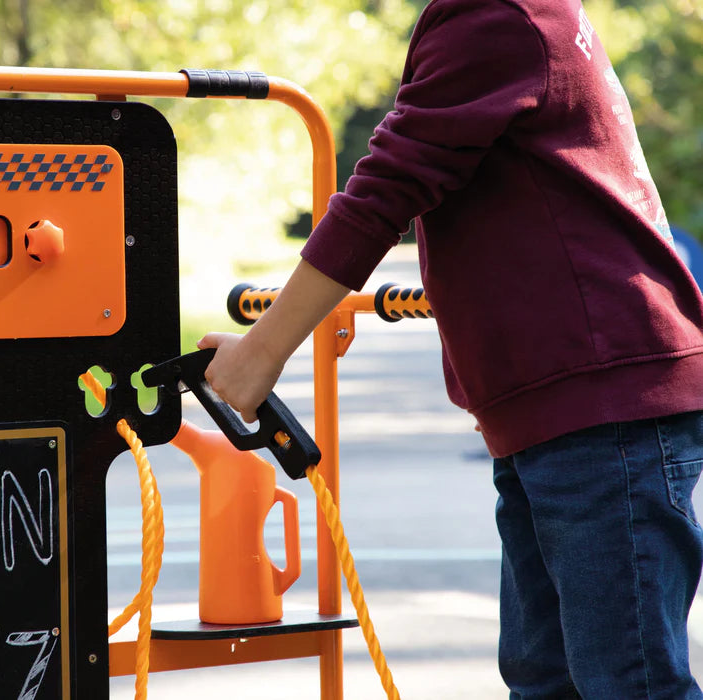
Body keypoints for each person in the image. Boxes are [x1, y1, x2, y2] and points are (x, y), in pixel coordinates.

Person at [198, 1, 703, 698]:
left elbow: (385, 189)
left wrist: (263, 352)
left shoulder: (494, 13)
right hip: (563, 407)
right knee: (545, 677)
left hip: (602, 400)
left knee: (627, 682)